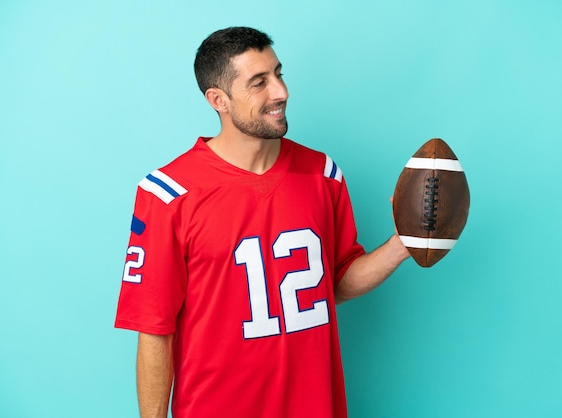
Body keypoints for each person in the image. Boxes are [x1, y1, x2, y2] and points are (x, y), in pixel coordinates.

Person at [115, 26, 410, 418]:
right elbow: (154, 329)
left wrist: (402, 245)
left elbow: (335, 281)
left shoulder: (322, 174)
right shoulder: (167, 195)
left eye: (278, 74)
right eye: (259, 82)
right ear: (218, 99)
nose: (280, 92)